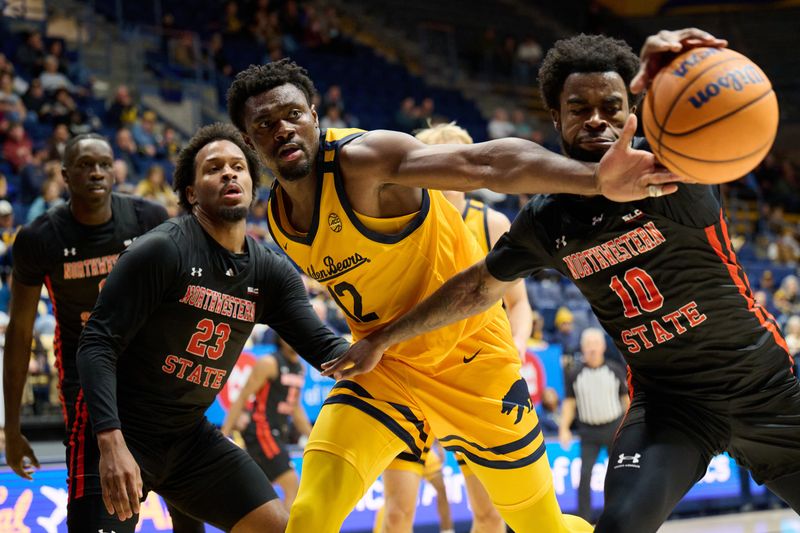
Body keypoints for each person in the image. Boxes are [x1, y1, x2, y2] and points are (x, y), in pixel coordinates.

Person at [329, 29, 800, 533]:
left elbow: (704, 120)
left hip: (764, 388)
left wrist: (670, 69)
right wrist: (382, 338)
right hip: (671, 407)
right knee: (616, 527)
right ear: (556, 117)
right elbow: (475, 288)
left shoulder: (669, 167)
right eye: (579, 107)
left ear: (633, 112)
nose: (597, 118)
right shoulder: (546, 220)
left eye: (612, 106)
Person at [226, 58, 679, 533]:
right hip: (387, 371)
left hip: (472, 367)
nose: (283, 130)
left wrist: (592, 180)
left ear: (315, 116)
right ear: (250, 140)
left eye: (293, 115)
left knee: (541, 527)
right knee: (310, 517)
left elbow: (482, 162)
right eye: (264, 124)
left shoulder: (364, 161)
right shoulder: (277, 216)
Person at [75, 123, 350, 532]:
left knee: (279, 527)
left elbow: (328, 349)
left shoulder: (270, 272)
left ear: (252, 186)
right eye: (213, 167)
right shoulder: (162, 249)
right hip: (123, 431)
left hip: (190, 437)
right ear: (191, 192)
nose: (228, 173)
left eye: (238, 166)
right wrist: (110, 442)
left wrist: (397, 343)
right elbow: (95, 344)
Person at [3, 133, 204, 532]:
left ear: (116, 170)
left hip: (153, 377)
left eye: (104, 163)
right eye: (85, 165)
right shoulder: (39, 238)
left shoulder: (147, 218)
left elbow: (183, 299)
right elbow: (21, 333)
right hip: (87, 390)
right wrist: (11, 428)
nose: (96, 172)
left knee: (186, 503)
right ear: (64, 175)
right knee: (105, 512)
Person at [378, 122, 534, 533]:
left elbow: (519, 305)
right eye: (440, 163)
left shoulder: (493, 224)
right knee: (397, 513)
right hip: (412, 378)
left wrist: (515, 348)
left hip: (472, 379)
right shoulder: (400, 224)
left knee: (489, 513)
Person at [221, 335, 312, 510]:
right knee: (292, 485)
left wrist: (314, 437)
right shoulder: (269, 363)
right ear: (280, 338)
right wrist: (224, 432)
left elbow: (295, 408)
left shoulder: (300, 367)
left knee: (261, 500)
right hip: (263, 432)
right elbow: (242, 397)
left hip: (277, 433)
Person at [558, 328, 628, 522]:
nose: (592, 349)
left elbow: (626, 400)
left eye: (595, 344)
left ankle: (623, 515)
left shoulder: (614, 369)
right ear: (582, 347)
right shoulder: (574, 374)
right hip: (588, 431)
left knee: (621, 474)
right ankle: (585, 520)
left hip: (614, 427)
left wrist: (629, 426)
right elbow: (570, 404)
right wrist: (564, 428)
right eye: (588, 345)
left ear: (603, 346)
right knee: (584, 476)